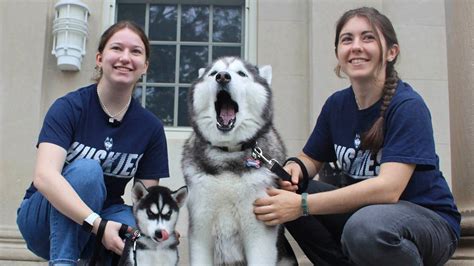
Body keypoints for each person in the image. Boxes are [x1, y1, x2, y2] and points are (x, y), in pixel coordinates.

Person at [253, 7, 460, 266]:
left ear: (392, 52)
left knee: (364, 228)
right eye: (347, 39)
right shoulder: (336, 105)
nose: (356, 46)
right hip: (368, 217)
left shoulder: (407, 106)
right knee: (278, 193)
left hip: (428, 222)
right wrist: (295, 170)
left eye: (368, 37)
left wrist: (303, 204)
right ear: (339, 54)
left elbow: (388, 189)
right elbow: (311, 157)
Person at [16, 21, 170, 265]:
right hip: (42, 221)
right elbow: (44, 177)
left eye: (136, 51)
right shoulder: (69, 108)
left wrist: (158, 232)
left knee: (135, 231)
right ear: (99, 58)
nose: (125, 57)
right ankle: (63, 261)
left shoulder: (150, 128)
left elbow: (145, 203)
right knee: (86, 171)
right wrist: (97, 225)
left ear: (145, 66)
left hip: (104, 218)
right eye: (117, 48)